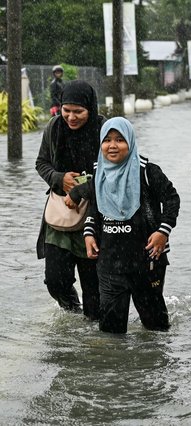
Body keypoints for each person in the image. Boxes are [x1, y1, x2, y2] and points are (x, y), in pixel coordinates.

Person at [68, 117, 180, 333]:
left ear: (130, 141)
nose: (112, 145)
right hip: (110, 263)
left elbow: (172, 199)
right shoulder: (99, 173)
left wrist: (162, 231)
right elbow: (95, 207)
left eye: (120, 140)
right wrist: (89, 234)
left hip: (147, 261)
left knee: (156, 329)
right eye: (107, 140)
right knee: (111, 333)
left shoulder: (147, 172)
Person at [35, 80, 106, 320]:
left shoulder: (103, 129)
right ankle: (72, 314)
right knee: (55, 280)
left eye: (78, 112)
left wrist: (81, 190)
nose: (71, 117)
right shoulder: (54, 128)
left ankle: (93, 339)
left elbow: (115, 172)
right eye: (67, 110)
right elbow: (41, 163)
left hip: (94, 216)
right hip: (60, 217)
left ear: (91, 108)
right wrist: (58, 178)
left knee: (93, 288)